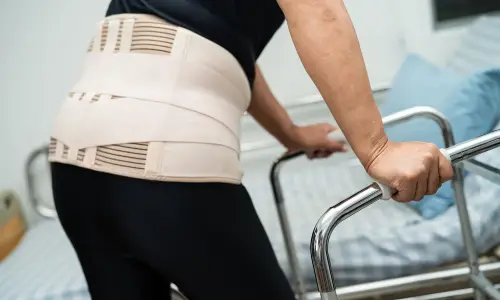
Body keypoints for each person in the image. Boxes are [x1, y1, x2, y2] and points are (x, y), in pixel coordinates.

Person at [48, 0, 454, 299]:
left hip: (74, 154)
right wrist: (377, 148)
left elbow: (220, 45)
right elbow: (318, 10)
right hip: (161, 154)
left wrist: (291, 134)